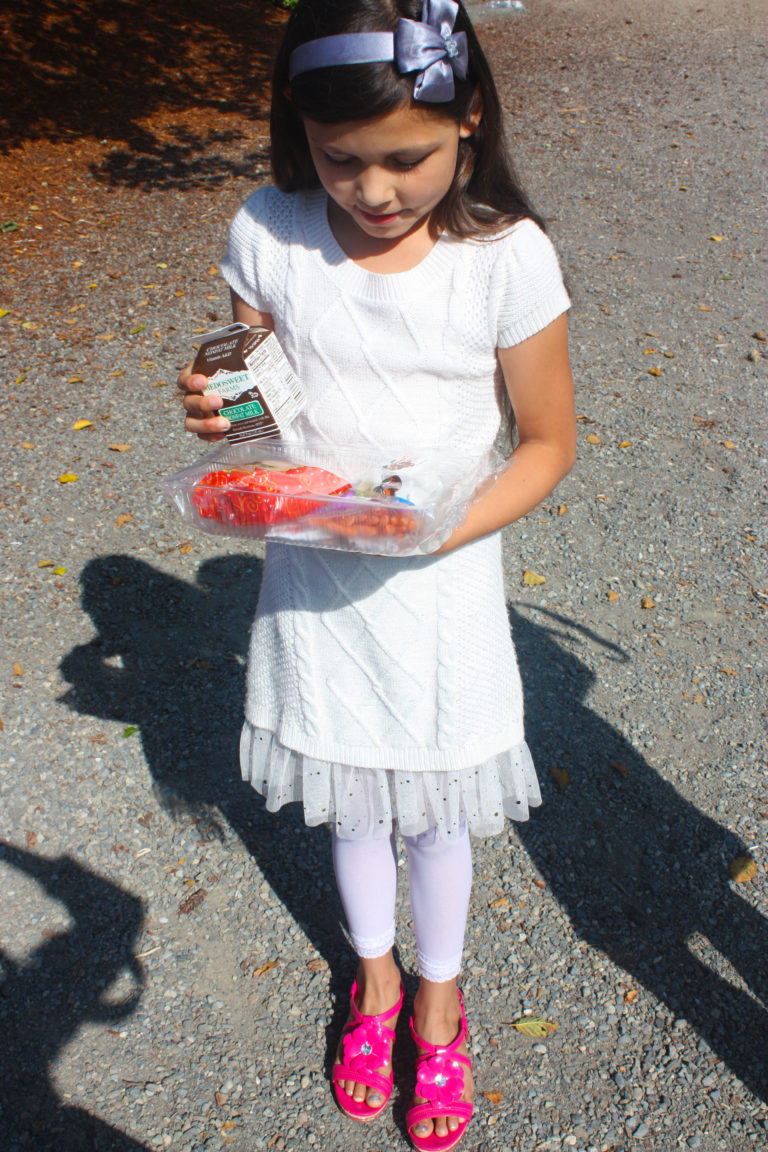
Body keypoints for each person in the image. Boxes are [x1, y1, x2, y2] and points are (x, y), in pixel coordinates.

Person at [177, 1, 576, 1148]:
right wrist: (223, 419)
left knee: (437, 804)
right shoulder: (270, 230)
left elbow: (547, 442)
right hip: (317, 573)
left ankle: (440, 1001)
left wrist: (436, 532)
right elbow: (263, 415)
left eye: (407, 157)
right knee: (352, 794)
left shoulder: (504, 258)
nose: (374, 189)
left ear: (470, 117)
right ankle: (377, 980)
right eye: (340, 157)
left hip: (440, 578)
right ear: (296, 130)